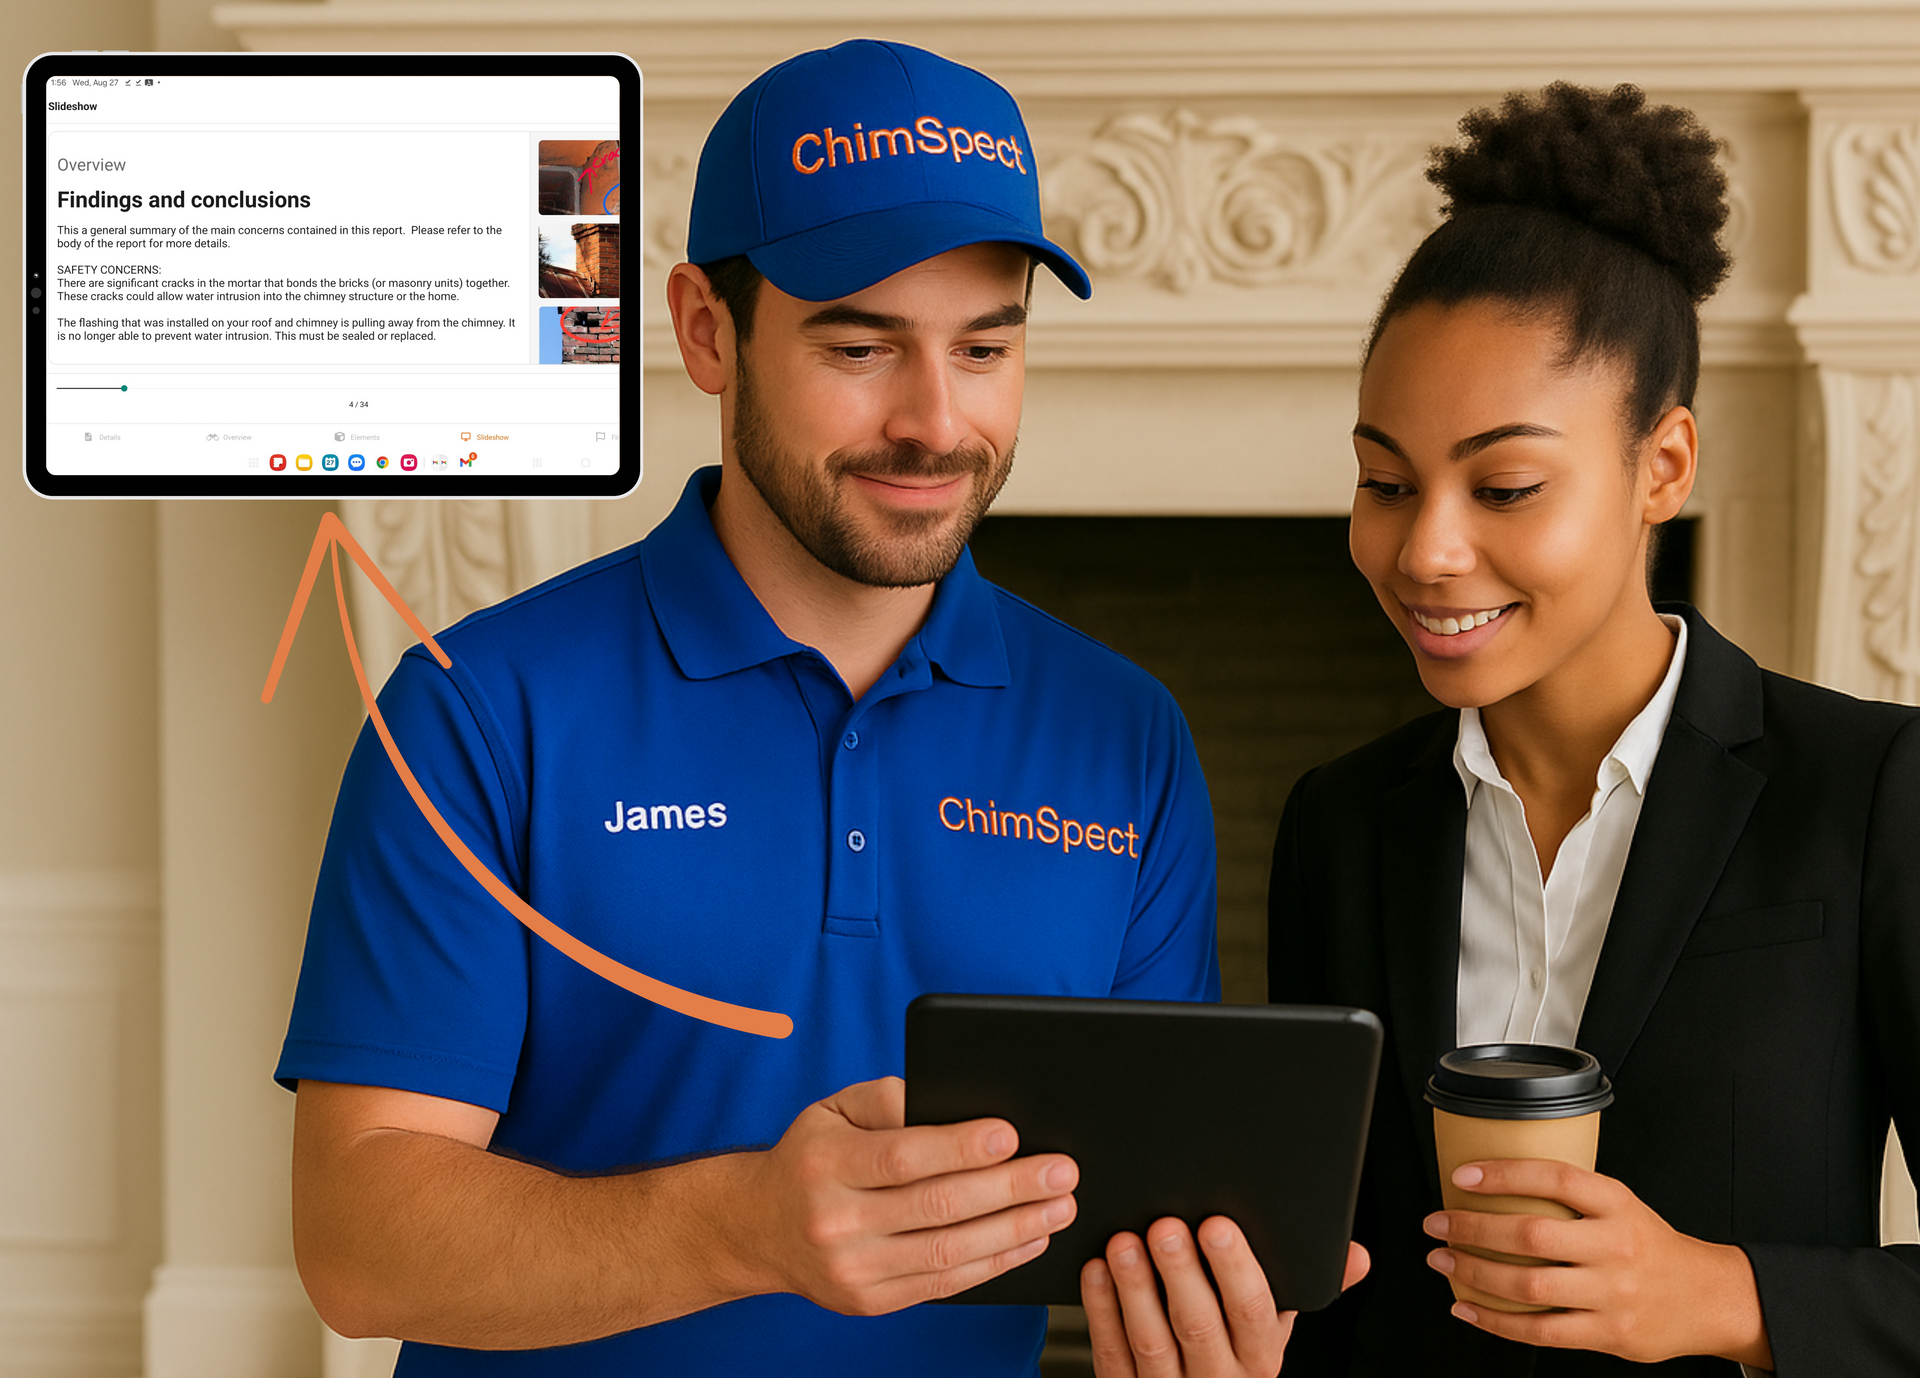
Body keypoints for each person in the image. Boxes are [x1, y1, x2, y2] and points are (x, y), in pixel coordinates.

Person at [279, 38, 1336, 1378]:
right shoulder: (474, 710)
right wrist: (744, 1229)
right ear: (707, 333)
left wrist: (1208, 1311)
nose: (934, 420)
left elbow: (1142, 1218)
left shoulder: (1123, 738)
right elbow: (358, 1240)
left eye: (986, 345)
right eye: (860, 345)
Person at [1268, 82, 1920, 1376]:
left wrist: (1729, 1296)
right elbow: (1335, 1281)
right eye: (1384, 482)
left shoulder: (1869, 792)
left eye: (1505, 484)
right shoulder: (1339, 825)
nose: (1427, 549)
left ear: (1663, 468)